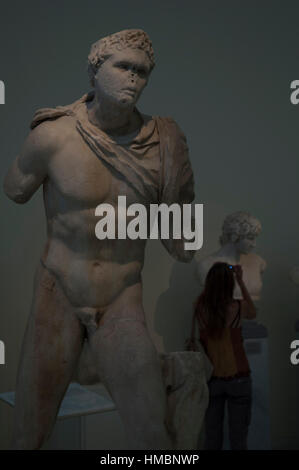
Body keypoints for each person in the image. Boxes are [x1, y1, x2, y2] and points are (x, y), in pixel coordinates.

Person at [3, 29, 195, 450]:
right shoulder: (53, 137)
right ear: (95, 71)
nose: (133, 78)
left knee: (151, 433)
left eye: (142, 72)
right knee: (28, 435)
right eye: (122, 66)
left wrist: (177, 186)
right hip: (59, 292)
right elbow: (16, 189)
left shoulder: (162, 143)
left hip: (122, 296)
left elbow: (181, 243)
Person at [190, 262, 256, 450]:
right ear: (230, 284)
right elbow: (253, 313)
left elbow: (205, 299)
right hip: (239, 378)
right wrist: (241, 281)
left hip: (212, 380)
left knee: (212, 437)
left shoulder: (199, 307)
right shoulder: (237, 307)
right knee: (239, 438)